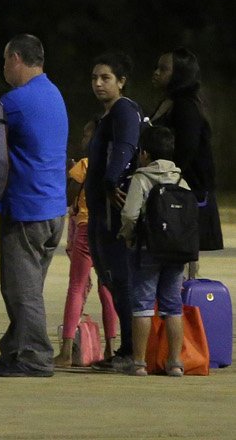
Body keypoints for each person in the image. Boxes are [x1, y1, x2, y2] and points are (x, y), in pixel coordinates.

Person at [0, 34, 68, 377]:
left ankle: (35, 356)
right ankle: (16, 348)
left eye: (6, 61)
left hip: (28, 208)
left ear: (17, 59)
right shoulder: (53, 92)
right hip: (53, 208)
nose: (4, 68)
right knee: (26, 288)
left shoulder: (15, 101)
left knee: (22, 291)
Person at [85, 51, 142, 373]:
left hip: (111, 212)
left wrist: (111, 181)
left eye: (106, 78)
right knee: (111, 278)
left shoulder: (123, 110)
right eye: (94, 77)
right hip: (98, 210)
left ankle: (133, 350)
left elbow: (125, 148)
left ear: (121, 81)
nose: (98, 83)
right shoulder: (108, 115)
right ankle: (129, 347)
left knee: (122, 279)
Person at [117, 125, 191, 377]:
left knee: (143, 305)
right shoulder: (181, 180)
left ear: (145, 153)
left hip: (148, 249)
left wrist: (127, 236)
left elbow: (129, 214)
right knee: (173, 306)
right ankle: (175, 363)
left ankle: (139, 363)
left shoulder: (142, 178)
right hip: (176, 251)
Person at [54, 121, 120, 367]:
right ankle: (112, 348)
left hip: (85, 230)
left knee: (77, 287)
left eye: (86, 134)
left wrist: (72, 174)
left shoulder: (84, 165)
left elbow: (69, 197)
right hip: (108, 231)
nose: (83, 139)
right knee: (107, 289)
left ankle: (67, 350)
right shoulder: (116, 165)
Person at [151, 48, 222, 266]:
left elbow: (186, 150)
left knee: (181, 258)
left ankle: (184, 300)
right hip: (175, 191)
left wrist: (168, 179)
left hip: (185, 194)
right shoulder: (170, 101)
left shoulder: (185, 106)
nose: (156, 72)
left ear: (180, 74)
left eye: (163, 69)